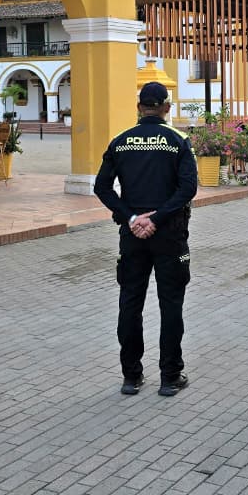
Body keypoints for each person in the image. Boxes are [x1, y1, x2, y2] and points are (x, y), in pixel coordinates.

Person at [94, 81, 198, 397]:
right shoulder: (178, 140)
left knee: (130, 304)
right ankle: (170, 377)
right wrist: (157, 218)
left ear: (139, 107)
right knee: (171, 306)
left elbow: (102, 187)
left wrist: (131, 218)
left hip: (132, 235)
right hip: (169, 234)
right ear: (167, 107)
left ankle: (131, 376)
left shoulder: (120, 142)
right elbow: (187, 189)